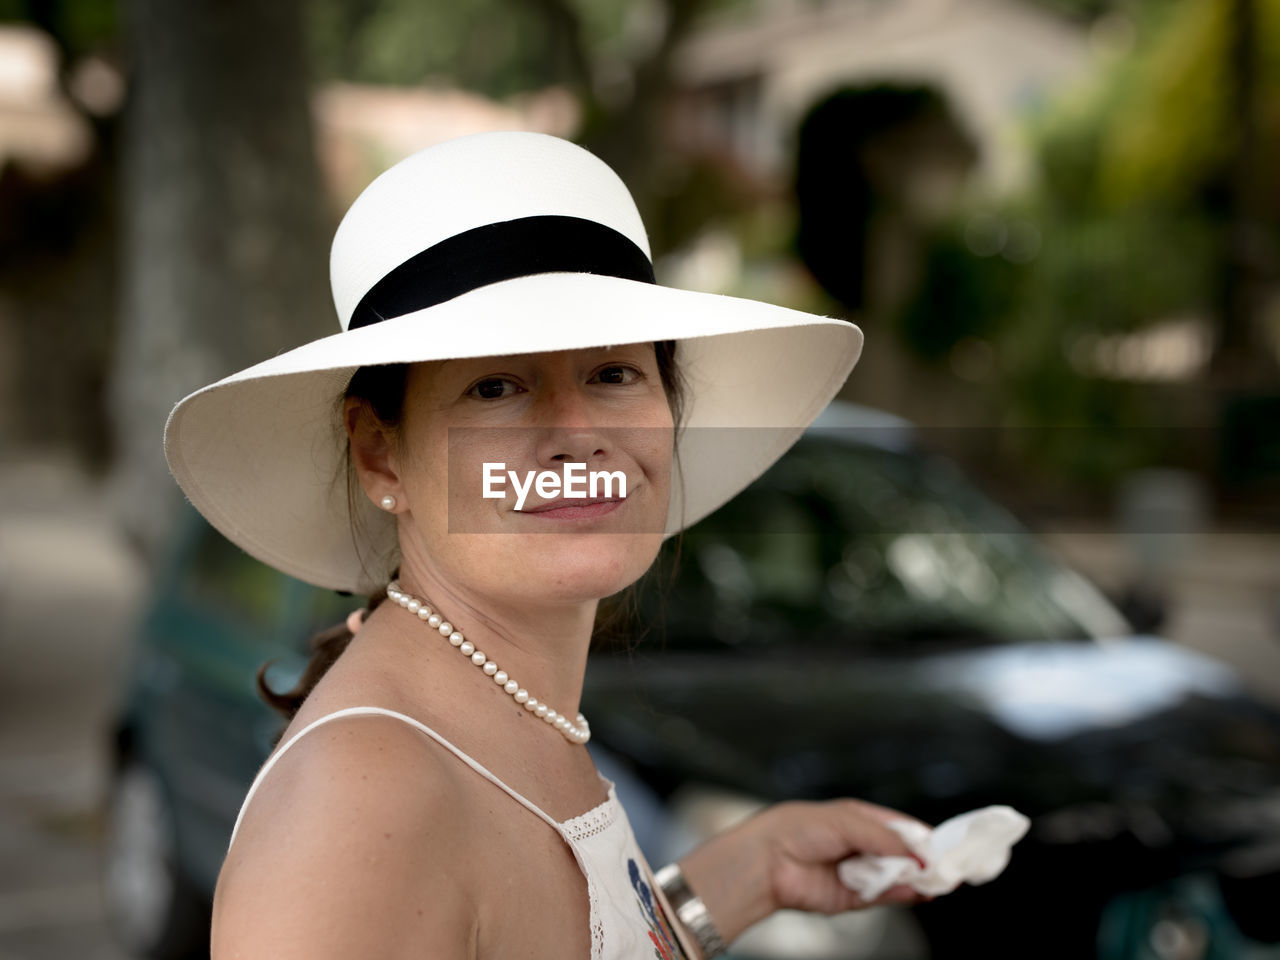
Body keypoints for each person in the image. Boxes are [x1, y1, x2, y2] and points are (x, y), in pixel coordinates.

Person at [164, 130, 933, 960]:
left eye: (613, 375)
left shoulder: (507, 717)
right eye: (495, 387)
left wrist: (748, 872)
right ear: (381, 452)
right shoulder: (363, 804)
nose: (577, 436)